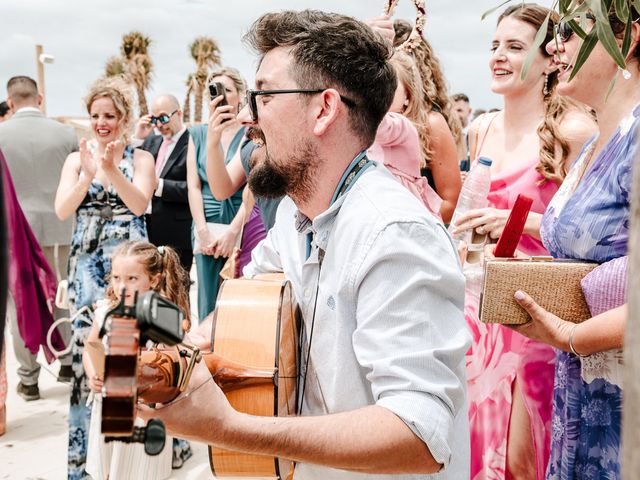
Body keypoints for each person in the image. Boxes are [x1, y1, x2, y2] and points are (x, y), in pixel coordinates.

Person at [140, 10, 471, 479]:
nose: (247, 116)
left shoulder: (394, 233)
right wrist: (171, 361)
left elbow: (420, 435)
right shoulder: (299, 217)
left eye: (264, 96)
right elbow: (243, 306)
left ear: (324, 109)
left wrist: (232, 428)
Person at [450, 5, 597, 479]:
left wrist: (523, 222)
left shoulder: (573, 132)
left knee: (523, 457)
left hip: (538, 310)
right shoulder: (480, 129)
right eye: (495, 46)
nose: (498, 56)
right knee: (475, 441)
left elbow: (590, 232)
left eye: (514, 47)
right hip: (481, 310)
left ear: (551, 59)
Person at [509, 6, 639, 478]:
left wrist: (571, 336)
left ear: (626, 39)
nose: (554, 47)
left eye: (571, 32)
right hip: (580, 393)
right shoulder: (593, 143)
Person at [54, 76, 156, 480]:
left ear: (124, 118)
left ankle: (128, 457)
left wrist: (112, 170)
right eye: (95, 115)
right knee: (88, 359)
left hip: (129, 268)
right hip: (87, 268)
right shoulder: (76, 157)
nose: (101, 122)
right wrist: (87, 174)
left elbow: (139, 203)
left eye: (109, 115)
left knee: (129, 355)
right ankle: (87, 461)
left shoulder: (142, 158)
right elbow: (63, 209)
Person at [84, 241, 189, 480]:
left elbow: (175, 365)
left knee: (141, 472)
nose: (122, 286)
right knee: (108, 472)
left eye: (132, 279)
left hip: (145, 413)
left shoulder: (163, 318)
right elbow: (90, 347)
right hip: (109, 408)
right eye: (117, 278)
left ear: (154, 280)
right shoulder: (105, 313)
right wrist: (92, 374)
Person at [0, 76, 78, 398]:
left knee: (21, 303)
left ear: (10, 100)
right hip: (61, 225)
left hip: (13, 232)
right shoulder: (66, 133)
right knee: (64, 297)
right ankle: (68, 362)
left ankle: (29, 378)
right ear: (40, 98)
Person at [187, 66, 257, 320]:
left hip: (238, 221)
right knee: (206, 301)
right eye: (215, 90)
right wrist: (201, 229)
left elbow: (251, 186)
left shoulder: (249, 131)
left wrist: (233, 231)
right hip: (205, 222)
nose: (222, 96)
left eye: (227, 90)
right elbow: (193, 185)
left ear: (239, 95)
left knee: (234, 297)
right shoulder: (197, 133)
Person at [135, 94, 193, 273]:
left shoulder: (192, 142)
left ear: (179, 114)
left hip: (177, 233)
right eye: (155, 119)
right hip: (146, 230)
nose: (159, 124)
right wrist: (138, 137)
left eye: (164, 117)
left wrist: (158, 185)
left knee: (176, 291)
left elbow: (195, 189)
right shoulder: (151, 141)